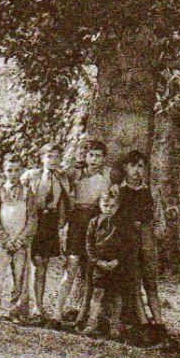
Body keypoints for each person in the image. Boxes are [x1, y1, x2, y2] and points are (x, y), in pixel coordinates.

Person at [58, 139, 109, 327]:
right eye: (91, 155)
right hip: (77, 222)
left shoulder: (106, 179)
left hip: (94, 225)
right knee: (71, 267)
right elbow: (61, 175)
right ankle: (57, 313)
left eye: (99, 156)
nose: (95, 160)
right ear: (85, 156)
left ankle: (84, 317)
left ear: (104, 159)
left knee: (91, 272)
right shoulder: (76, 174)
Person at [0, 152, 34, 324]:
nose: (14, 174)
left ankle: (17, 312)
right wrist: (3, 239)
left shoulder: (27, 192)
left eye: (18, 170)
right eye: (10, 170)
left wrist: (20, 240)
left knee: (20, 277)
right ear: (5, 171)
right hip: (2, 241)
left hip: (20, 242)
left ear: (22, 171)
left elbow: (32, 218)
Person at [114, 149, 163, 337]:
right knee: (133, 283)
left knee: (151, 283)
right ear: (125, 168)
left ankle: (158, 323)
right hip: (126, 241)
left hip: (147, 240)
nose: (136, 171)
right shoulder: (117, 190)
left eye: (141, 166)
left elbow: (159, 218)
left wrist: (154, 234)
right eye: (133, 166)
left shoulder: (151, 191)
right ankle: (143, 322)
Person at [84, 185, 141, 341]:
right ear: (100, 205)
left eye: (112, 206)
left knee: (116, 294)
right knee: (97, 292)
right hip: (100, 264)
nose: (108, 209)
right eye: (105, 205)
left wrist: (118, 261)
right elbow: (89, 244)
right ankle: (91, 323)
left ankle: (114, 325)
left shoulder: (123, 224)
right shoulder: (94, 222)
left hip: (117, 265)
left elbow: (128, 245)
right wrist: (97, 261)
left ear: (118, 206)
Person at [24, 142, 72, 326]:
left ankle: (39, 306)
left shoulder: (62, 178)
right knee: (34, 263)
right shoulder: (31, 175)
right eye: (49, 156)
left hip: (50, 224)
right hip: (34, 220)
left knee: (43, 264)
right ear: (42, 157)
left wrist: (61, 224)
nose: (53, 160)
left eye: (57, 157)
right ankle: (29, 305)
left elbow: (65, 201)